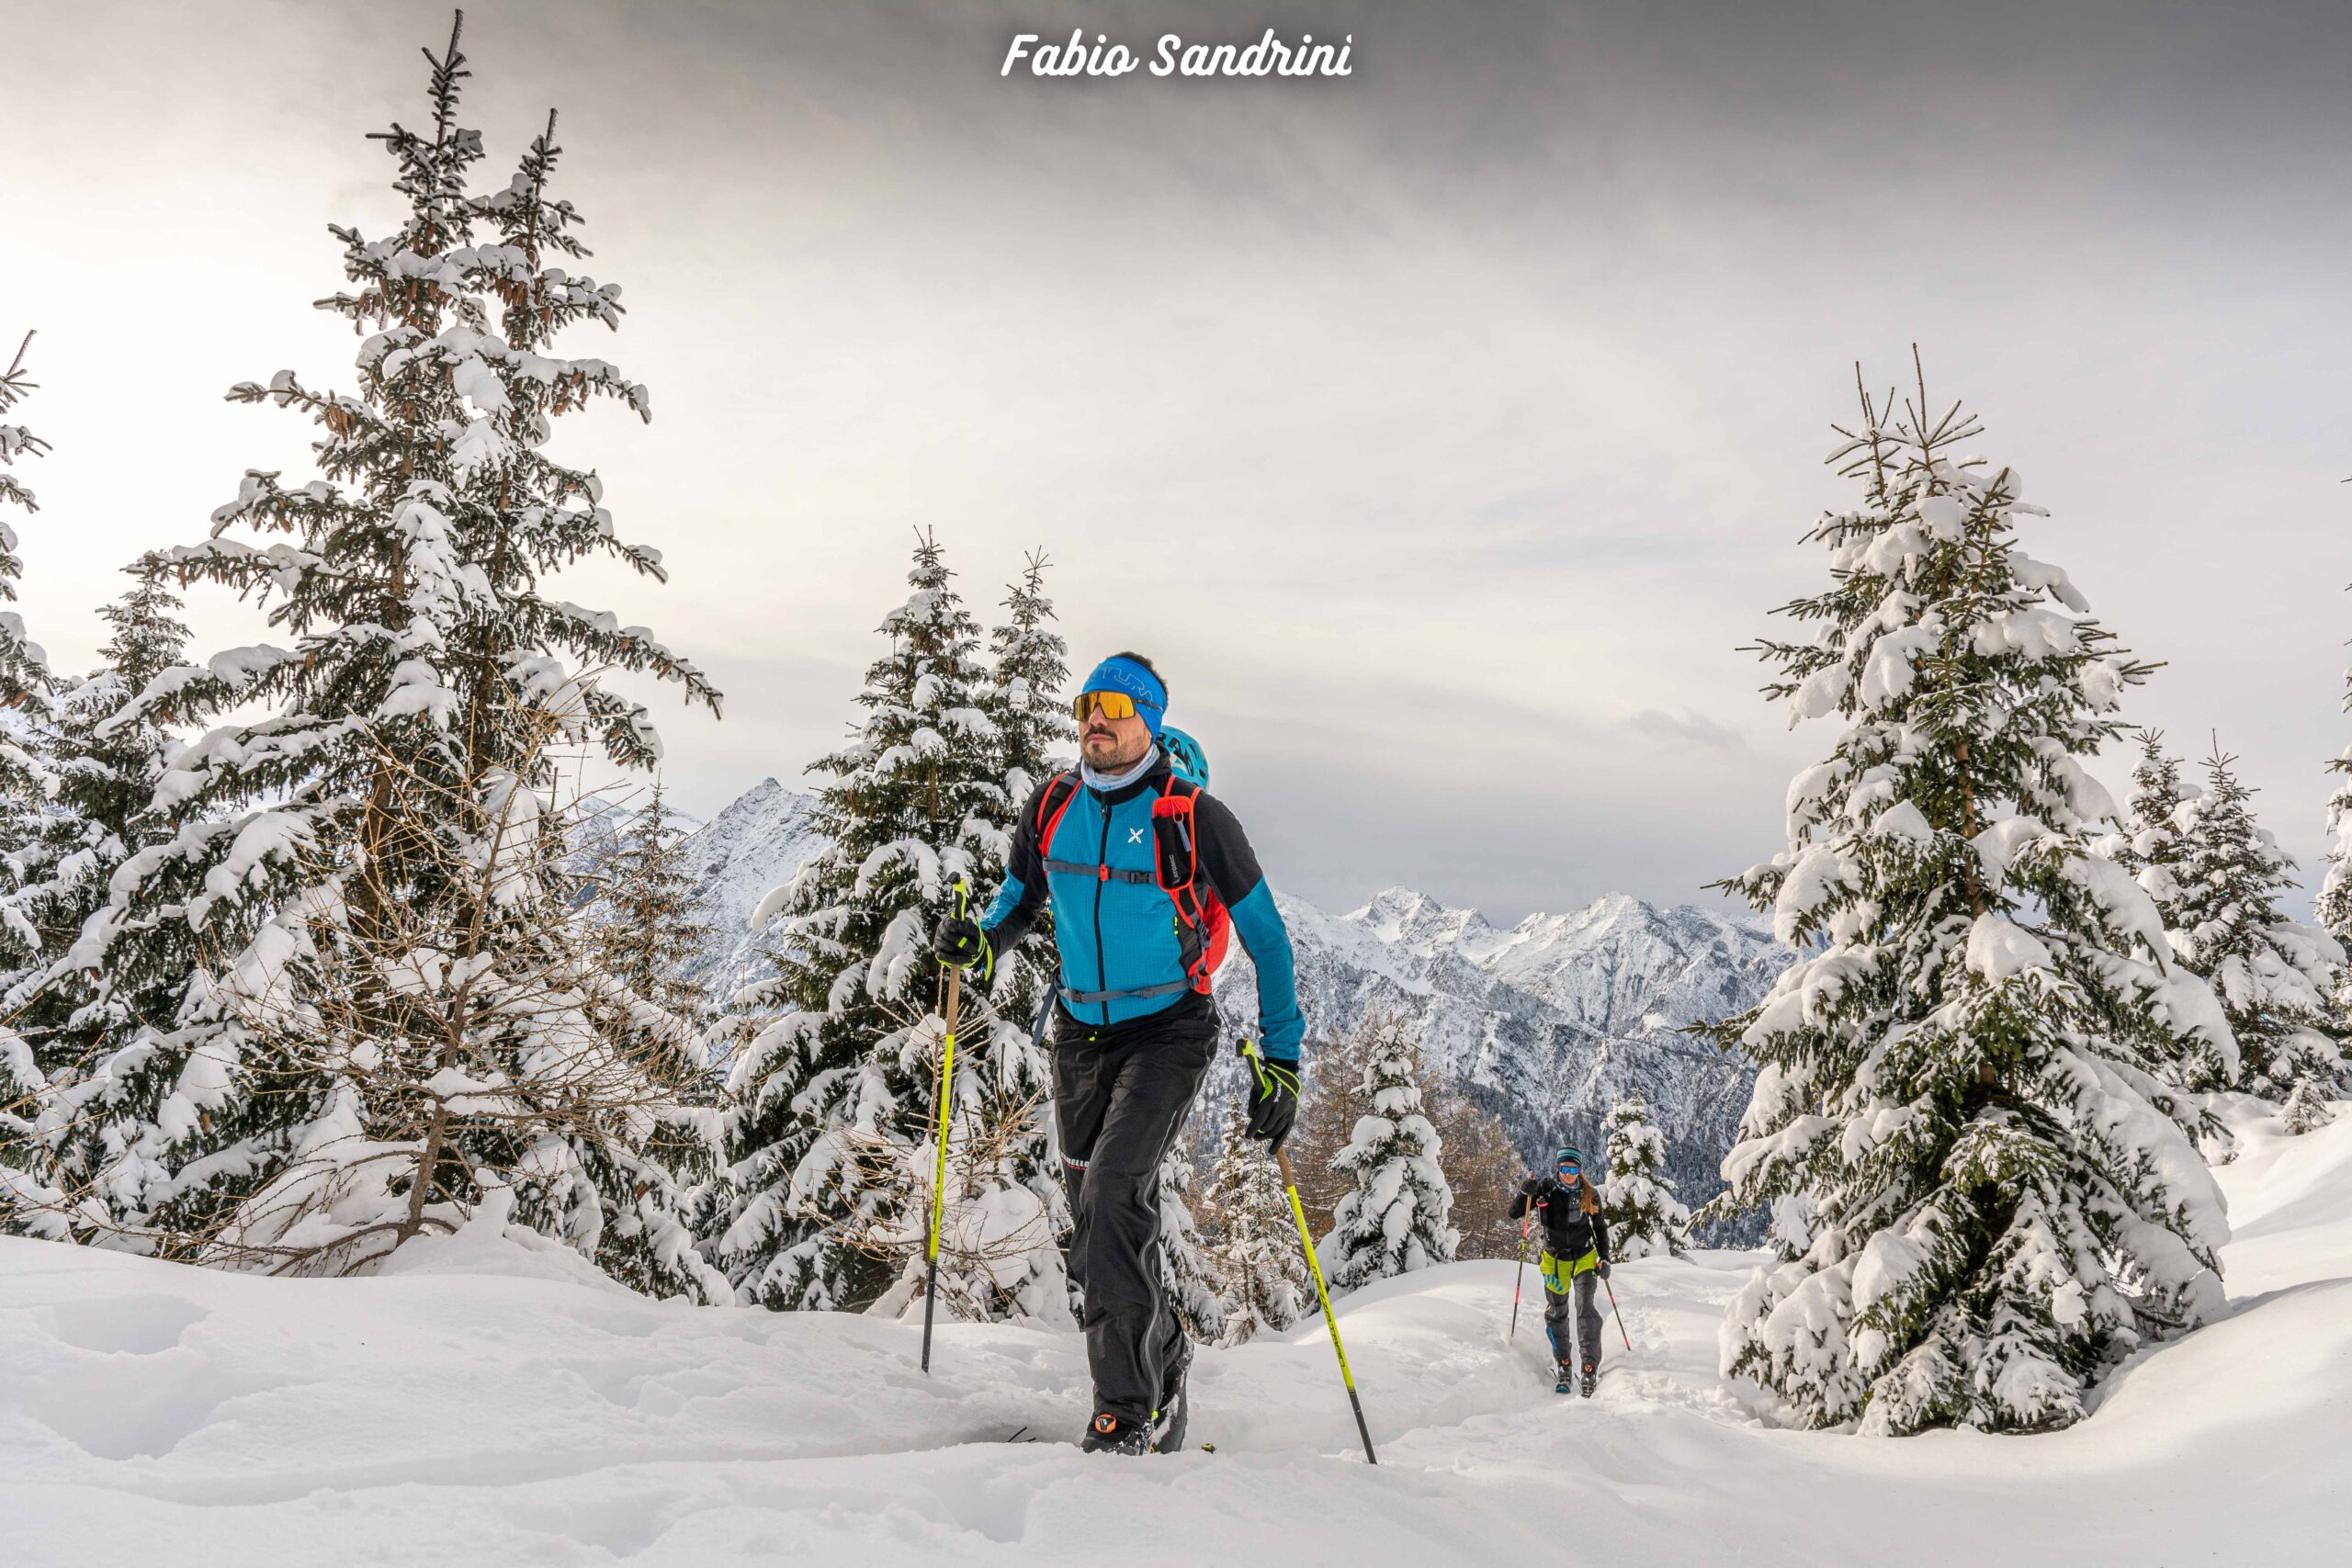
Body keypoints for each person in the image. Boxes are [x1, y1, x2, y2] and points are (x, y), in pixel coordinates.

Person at [933, 653, 1305, 1454]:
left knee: (1112, 1191)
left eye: (1112, 705)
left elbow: (1270, 941)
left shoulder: (1197, 817)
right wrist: (982, 941)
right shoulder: (1052, 805)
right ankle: (1166, 1355)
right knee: (1094, 1221)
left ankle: (1127, 1413)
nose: (1092, 719)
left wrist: (1283, 1060)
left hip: (1171, 1030)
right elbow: (1017, 900)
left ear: (1150, 720)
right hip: (1078, 1033)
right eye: (1083, 705)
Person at [1509, 1145, 1612, 1395]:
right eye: (1564, 1168)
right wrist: (1524, 1194)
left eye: (1573, 1168)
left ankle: (1589, 1367)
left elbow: (1600, 1229)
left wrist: (1605, 1259)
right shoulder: (1545, 1189)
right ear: (1558, 1167)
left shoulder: (1590, 1195)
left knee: (1585, 1307)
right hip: (1554, 1261)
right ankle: (1564, 1363)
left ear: (1580, 1169)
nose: (1568, 1173)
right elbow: (1514, 1214)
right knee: (1557, 1311)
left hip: (1585, 1258)